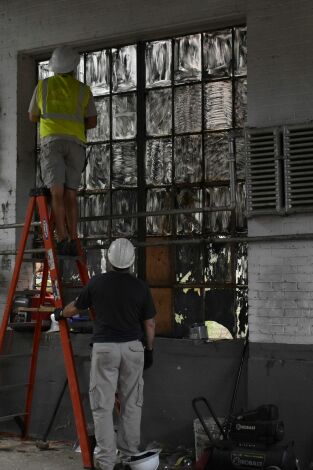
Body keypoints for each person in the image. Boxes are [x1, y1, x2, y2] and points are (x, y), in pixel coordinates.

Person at [54, 238, 156, 470]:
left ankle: (106, 462)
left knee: (102, 405)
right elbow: (150, 324)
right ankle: (130, 456)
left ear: (109, 260)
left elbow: (75, 308)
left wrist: (59, 313)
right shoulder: (141, 287)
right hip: (133, 349)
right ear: (131, 262)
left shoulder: (96, 283)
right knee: (131, 403)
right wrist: (149, 350)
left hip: (105, 349)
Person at [28, 45, 97, 256]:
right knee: (70, 195)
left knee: (55, 193)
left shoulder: (43, 87)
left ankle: (63, 239)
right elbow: (92, 122)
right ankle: (74, 237)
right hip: (76, 144)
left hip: (53, 143)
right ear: (74, 67)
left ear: (55, 68)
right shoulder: (83, 90)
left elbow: (32, 116)